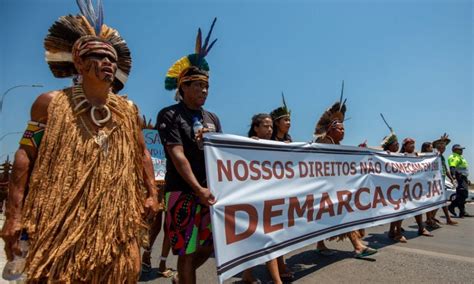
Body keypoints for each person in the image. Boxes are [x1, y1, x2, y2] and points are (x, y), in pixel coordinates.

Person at [0, 1, 159, 282]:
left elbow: (141, 152)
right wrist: (14, 215)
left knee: (121, 272)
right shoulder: (50, 104)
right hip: (59, 221)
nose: (108, 63)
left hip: (114, 220)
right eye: (99, 56)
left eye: (112, 58)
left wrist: (151, 193)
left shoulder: (129, 111)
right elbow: (25, 155)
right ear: (80, 63)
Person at [156, 18, 222, 284]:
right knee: (186, 251)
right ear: (182, 87)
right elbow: (177, 155)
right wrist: (197, 189)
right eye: (198, 86)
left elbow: (221, 156)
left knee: (210, 246)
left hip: (209, 192)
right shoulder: (170, 115)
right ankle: (184, 277)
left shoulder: (213, 118)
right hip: (182, 191)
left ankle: (181, 279)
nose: (204, 91)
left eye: (206, 86)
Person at [313, 82, 377, 258]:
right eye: (340, 129)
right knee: (342, 214)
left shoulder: (337, 145)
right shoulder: (322, 144)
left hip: (335, 188)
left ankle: (322, 243)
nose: (343, 132)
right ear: (331, 129)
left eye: (344, 129)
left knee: (336, 216)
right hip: (323, 189)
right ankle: (357, 246)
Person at [245, 113, 285, 284]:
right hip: (254, 200)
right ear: (256, 128)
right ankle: (277, 280)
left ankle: (248, 275)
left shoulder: (274, 145)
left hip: (271, 199)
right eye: (265, 126)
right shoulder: (246, 145)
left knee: (269, 238)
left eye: (271, 127)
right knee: (266, 238)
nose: (269, 130)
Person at [399, 138, 433, 237]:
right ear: (405, 146)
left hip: (414, 187)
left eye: (413, 144)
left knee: (417, 208)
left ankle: (421, 228)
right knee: (401, 210)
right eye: (410, 144)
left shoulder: (416, 156)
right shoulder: (399, 157)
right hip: (403, 187)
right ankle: (396, 231)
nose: (413, 146)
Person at [425, 135, 458, 227]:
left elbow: (445, 169)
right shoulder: (434, 155)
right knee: (437, 201)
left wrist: (451, 179)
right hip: (434, 181)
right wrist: (441, 141)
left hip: (441, 180)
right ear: (437, 147)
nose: (443, 148)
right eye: (441, 146)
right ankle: (430, 219)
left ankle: (434, 218)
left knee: (441, 201)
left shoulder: (442, 157)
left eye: (444, 147)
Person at [381, 131, 406, 242]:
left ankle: (393, 231)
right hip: (387, 188)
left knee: (397, 210)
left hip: (398, 187)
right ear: (389, 145)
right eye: (395, 144)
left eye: (398, 144)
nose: (397, 145)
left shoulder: (400, 156)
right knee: (397, 210)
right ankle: (398, 233)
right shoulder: (383, 155)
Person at [448, 144, 472, 218]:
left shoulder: (460, 157)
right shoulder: (454, 156)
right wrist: (454, 177)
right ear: (454, 150)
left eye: (462, 149)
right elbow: (452, 167)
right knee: (463, 194)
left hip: (463, 177)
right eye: (460, 149)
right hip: (459, 177)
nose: (462, 151)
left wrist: (466, 179)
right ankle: (452, 206)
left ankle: (462, 212)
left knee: (461, 194)